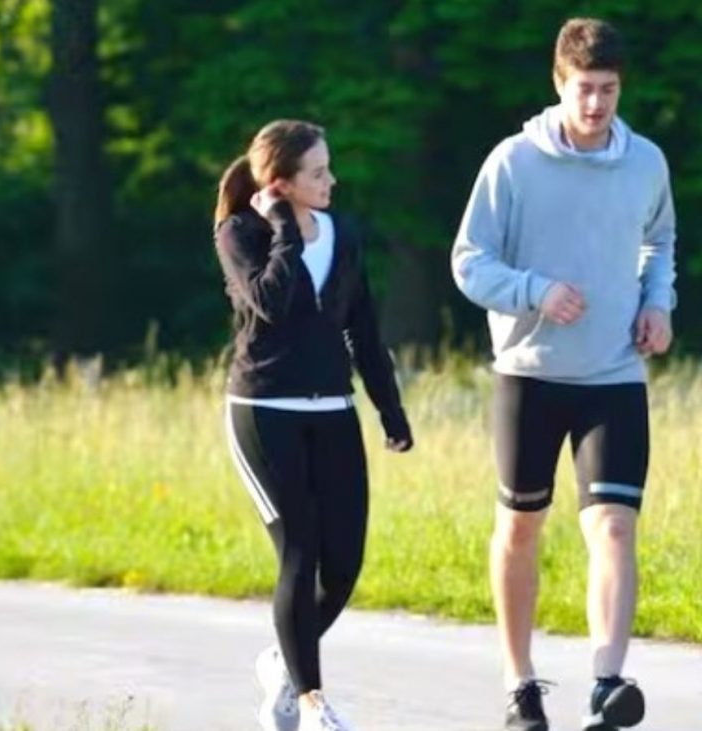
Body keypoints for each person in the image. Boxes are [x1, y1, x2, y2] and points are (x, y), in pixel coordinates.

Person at [451, 17, 676, 731]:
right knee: (522, 526)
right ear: (560, 83)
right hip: (530, 372)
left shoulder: (645, 162)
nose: (596, 105)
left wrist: (658, 301)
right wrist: (535, 290)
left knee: (613, 525)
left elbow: (660, 239)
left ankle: (608, 683)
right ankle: (521, 687)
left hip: (614, 374)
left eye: (608, 90)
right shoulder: (513, 162)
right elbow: (468, 261)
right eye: (584, 89)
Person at [214, 119, 414, 731]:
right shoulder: (240, 232)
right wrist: (281, 229)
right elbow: (269, 305)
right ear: (281, 184)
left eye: (329, 168)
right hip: (264, 412)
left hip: (333, 411)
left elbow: (364, 330)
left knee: (344, 564)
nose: (332, 180)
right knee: (299, 553)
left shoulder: (343, 235)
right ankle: (311, 702)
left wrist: (390, 408)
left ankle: (285, 658)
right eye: (318, 172)